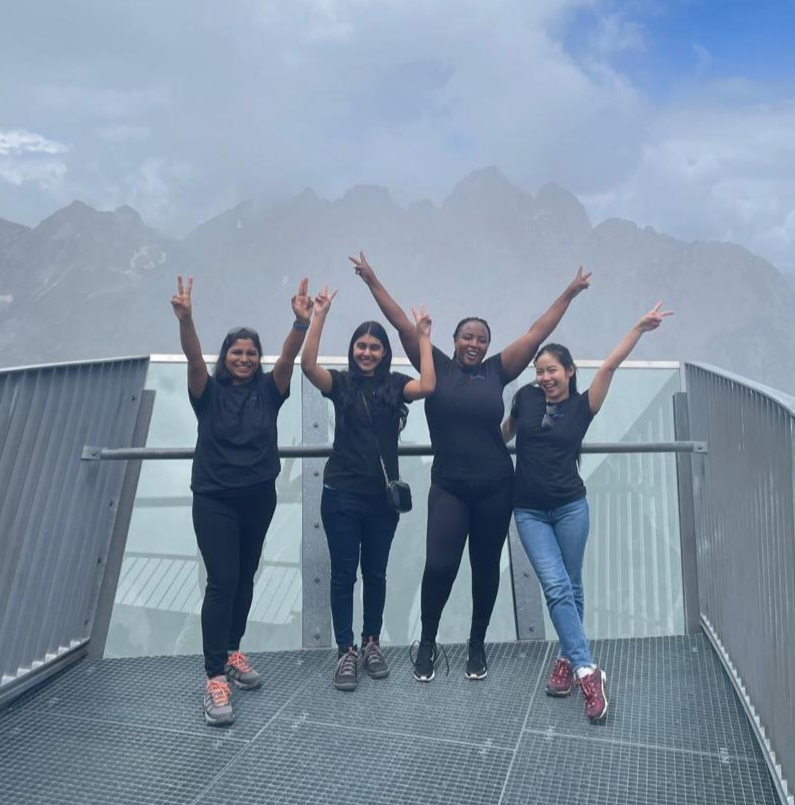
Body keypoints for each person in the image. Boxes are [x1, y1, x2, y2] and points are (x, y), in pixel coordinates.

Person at [351, 251, 590, 682]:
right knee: (439, 566)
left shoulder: (499, 371)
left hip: (497, 486)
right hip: (449, 487)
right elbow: (403, 326)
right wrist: (371, 279)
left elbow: (537, 333)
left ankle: (476, 644)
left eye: (481, 338)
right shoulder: (436, 366)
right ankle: (427, 641)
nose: (475, 344)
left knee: (484, 567)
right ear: (455, 340)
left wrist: (569, 293)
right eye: (467, 337)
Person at [501, 302, 673, 722]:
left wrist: (637, 327)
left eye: (551, 370)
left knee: (571, 586)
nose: (543, 377)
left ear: (569, 371)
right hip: (528, 510)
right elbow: (503, 432)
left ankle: (566, 660)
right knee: (557, 587)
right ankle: (586, 671)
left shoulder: (584, 405)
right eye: (539, 370)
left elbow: (611, 367)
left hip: (571, 508)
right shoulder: (524, 397)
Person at [171, 274, 312, 725]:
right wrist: (187, 318)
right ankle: (214, 676)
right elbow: (193, 357)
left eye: (252, 353)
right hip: (214, 498)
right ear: (224, 357)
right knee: (222, 580)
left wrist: (300, 323)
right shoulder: (206, 394)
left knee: (247, 576)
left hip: (258, 498)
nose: (245, 359)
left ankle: (232, 651)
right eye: (237, 352)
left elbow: (289, 356)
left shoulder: (270, 392)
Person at [301, 284, 436, 690]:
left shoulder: (395, 385)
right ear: (352, 349)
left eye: (375, 347)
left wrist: (424, 339)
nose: (367, 352)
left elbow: (428, 385)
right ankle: (346, 651)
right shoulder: (340, 384)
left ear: (384, 352)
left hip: (382, 500)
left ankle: (371, 642)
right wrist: (318, 315)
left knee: (376, 573)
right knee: (344, 575)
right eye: (361, 345)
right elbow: (308, 366)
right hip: (340, 494)